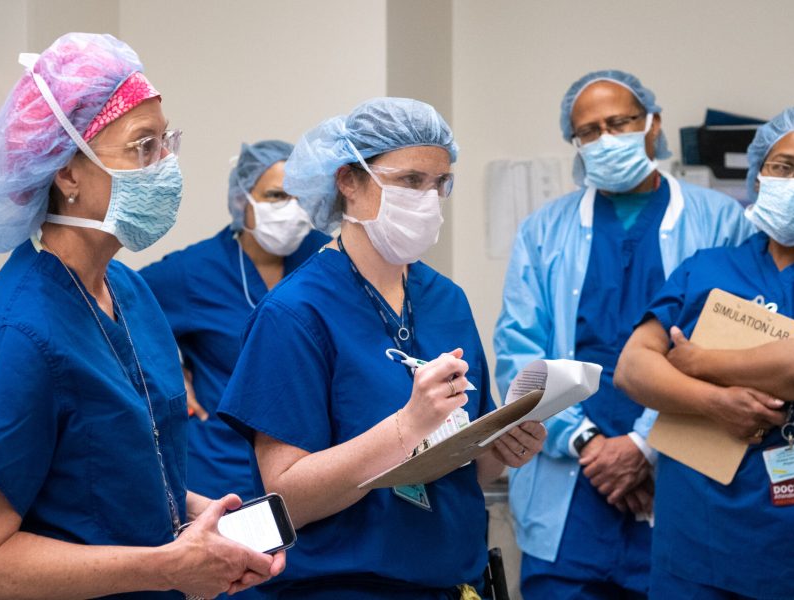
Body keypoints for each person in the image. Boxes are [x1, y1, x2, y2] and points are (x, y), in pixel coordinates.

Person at [0, 33, 282, 598]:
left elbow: (124, 473)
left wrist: (205, 524)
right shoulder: (20, 333)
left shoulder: (130, 293)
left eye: (166, 141)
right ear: (67, 174)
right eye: (143, 147)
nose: (166, 166)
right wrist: (167, 567)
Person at [218, 97, 547, 599]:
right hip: (344, 586)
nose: (429, 199)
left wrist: (503, 449)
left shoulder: (446, 301)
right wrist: (404, 427)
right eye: (411, 181)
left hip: (453, 581)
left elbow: (470, 468)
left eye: (440, 184)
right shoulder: (296, 314)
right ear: (349, 181)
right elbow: (286, 498)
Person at [493, 69, 756, 599]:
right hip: (570, 491)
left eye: (619, 122)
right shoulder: (543, 232)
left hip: (677, 477)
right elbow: (518, 352)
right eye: (587, 131)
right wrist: (588, 443)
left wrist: (643, 444)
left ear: (653, 125)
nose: (605, 138)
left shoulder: (722, 223)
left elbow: (733, 351)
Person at [615, 106, 794, 599]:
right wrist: (713, 402)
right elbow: (634, 366)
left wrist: (698, 363)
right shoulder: (708, 267)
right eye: (783, 166)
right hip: (694, 543)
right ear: (759, 174)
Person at [140, 140, 329, 503]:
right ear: (242, 200)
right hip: (224, 467)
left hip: (312, 461)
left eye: (300, 197)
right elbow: (121, 309)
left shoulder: (324, 257)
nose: (291, 210)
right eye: (276, 196)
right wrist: (169, 371)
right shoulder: (195, 272)